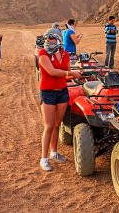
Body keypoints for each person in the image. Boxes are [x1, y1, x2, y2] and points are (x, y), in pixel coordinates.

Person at [38, 33, 80, 171]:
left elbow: (66, 72)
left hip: (62, 92)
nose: (49, 41)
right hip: (47, 92)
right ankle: (44, 158)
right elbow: (52, 72)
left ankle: (54, 152)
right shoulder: (42, 53)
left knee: (57, 124)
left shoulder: (65, 54)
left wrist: (75, 74)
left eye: (52, 39)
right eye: (47, 39)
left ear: (58, 40)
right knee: (49, 126)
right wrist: (72, 73)